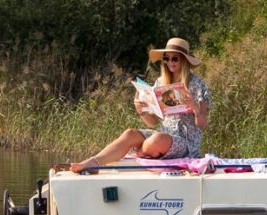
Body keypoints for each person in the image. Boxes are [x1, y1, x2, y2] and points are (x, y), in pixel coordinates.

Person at [71, 38, 211, 172]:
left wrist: (195, 107)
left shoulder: (197, 85)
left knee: (157, 139)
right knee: (130, 133)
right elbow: (153, 122)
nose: (170, 62)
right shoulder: (161, 83)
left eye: (174, 58)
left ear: (184, 60)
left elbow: (202, 124)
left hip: (185, 141)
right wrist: (142, 110)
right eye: (166, 58)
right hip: (164, 134)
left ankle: (137, 152)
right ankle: (92, 163)